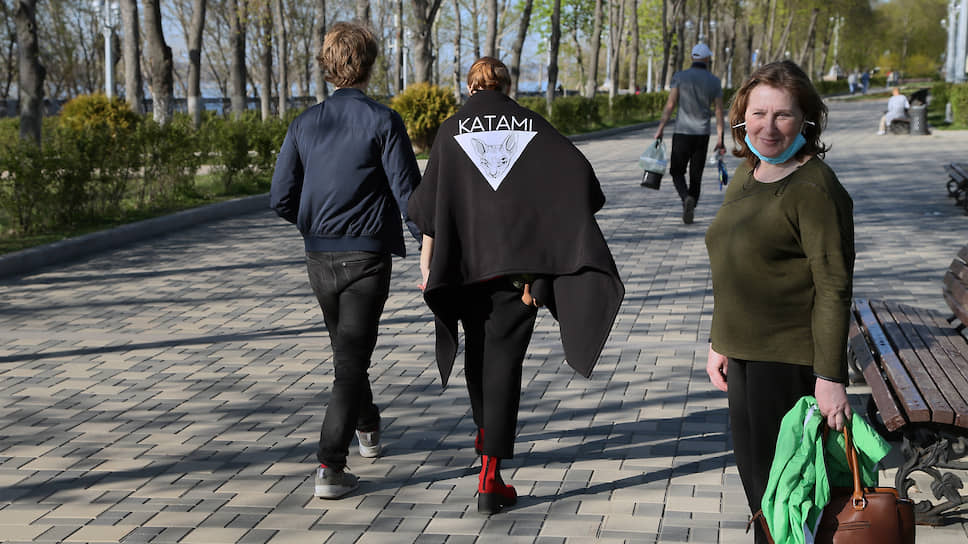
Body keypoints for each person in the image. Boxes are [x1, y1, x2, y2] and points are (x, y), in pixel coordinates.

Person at [408, 57, 624, 516]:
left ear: (469, 87)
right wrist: (542, 265)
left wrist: (427, 266)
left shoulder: (450, 131)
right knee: (504, 366)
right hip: (518, 278)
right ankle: (490, 475)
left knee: (478, 357)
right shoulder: (532, 126)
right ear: (507, 87)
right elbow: (579, 175)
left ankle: (485, 440)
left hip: (465, 272)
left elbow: (431, 208)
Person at [269, 21, 422, 500]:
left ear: (327, 65)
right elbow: (409, 195)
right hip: (366, 258)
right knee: (349, 363)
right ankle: (330, 467)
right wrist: (431, 246)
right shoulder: (384, 120)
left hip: (319, 257)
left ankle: (368, 425)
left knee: (348, 355)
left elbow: (280, 197)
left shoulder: (304, 124)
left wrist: (312, 223)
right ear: (369, 64)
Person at [704, 60, 854, 544]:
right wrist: (719, 341)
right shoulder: (749, 173)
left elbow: (833, 286)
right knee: (760, 493)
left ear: (805, 121)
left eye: (783, 115)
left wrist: (830, 377)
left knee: (786, 495)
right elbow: (733, 265)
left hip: (788, 361)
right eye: (759, 113)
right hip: (744, 355)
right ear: (741, 116)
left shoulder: (815, 189)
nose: (768, 127)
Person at [654, 43, 725, 224]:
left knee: (677, 171)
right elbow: (718, 111)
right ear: (707, 59)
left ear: (692, 57)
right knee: (696, 174)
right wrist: (721, 138)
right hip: (702, 134)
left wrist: (661, 128)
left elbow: (671, 104)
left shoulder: (680, 77)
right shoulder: (714, 81)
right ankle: (691, 202)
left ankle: (685, 197)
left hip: (682, 132)